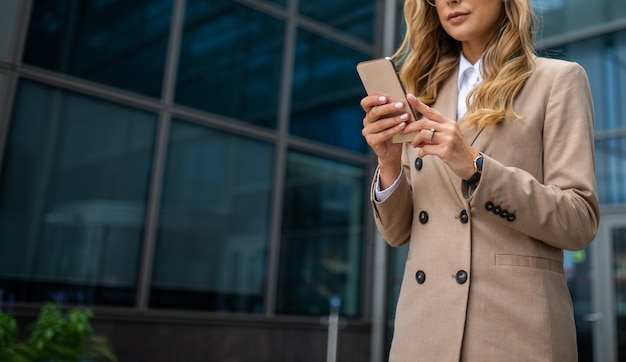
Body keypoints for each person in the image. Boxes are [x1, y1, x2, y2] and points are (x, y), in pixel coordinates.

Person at [360, 0, 600, 360]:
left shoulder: (557, 81)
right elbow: (396, 233)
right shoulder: (419, 96)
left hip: (515, 331)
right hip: (422, 334)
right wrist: (389, 161)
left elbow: (579, 220)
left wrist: (476, 167)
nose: (451, 1)